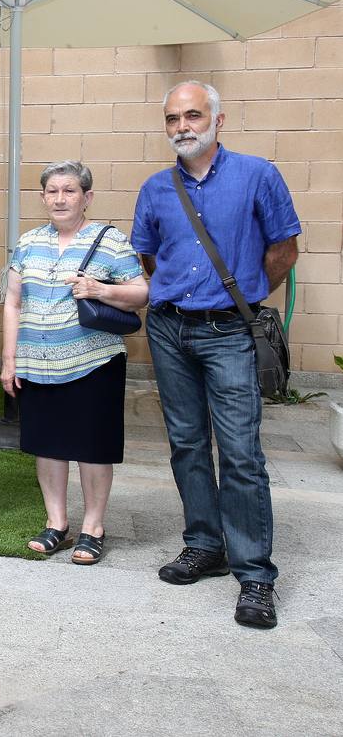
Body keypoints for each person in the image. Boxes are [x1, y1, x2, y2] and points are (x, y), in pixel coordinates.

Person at [132, 80, 300, 629]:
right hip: (169, 331)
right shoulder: (156, 188)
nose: (183, 126)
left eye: (193, 116)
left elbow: (283, 251)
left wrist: (241, 298)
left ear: (218, 121)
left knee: (241, 451)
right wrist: (184, 298)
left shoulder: (258, 175)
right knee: (185, 443)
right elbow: (151, 260)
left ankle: (255, 575)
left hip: (230, 332)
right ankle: (205, 545)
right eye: (173, 118)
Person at [1, 161, 148, 564]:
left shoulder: (111, 240)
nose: (60, 198)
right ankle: (57, 524)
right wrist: (9, 360)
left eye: (69, 190)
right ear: (43, 197)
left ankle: (94, 527)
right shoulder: (29, 242)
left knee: (92, 447)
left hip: (94, 362)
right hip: (36, 361)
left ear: (87, 197)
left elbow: (141, 293)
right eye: (52, 191)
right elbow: (13, 302)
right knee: (47, 446)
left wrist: (100, 289)